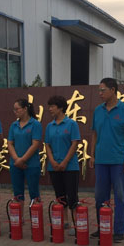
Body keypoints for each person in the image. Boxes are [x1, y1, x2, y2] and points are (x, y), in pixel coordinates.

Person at [89, 77, 124, 243]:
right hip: (101, 161)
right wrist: (92, 155)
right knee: (100, 197)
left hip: (118, 161)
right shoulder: (98, 110)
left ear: (113, 90)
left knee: (119, 197)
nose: (100, 93)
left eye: (103, 90)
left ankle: (119, 230)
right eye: (99, 90)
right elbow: (94, 134)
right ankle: (103, 227)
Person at [44, 95, 81, 235]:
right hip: (54, 166)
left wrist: (65, 162)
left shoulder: (71, 124)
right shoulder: (49, 126)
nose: (50, 109)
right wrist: (52, 161)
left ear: (60, 108)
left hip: (70, 166)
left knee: (72, 195)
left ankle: (76, 223)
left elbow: (74, 144)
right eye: (49, 106)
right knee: (60, 195)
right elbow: (47, 145)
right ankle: (65, 221)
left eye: (52, 106)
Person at [7, 99, 43, 214]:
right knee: (17, 193)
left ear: (25, 109)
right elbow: (10, 143)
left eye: (17, 109)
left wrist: (22, 160)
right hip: (15, 164)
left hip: (31, 164)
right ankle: (19, 217)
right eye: (14, 109)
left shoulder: (35, 124)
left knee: (34, 192)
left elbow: (35, 144)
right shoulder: (14, 125)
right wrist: (16, 159)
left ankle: (36, 217)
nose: (15, 111)